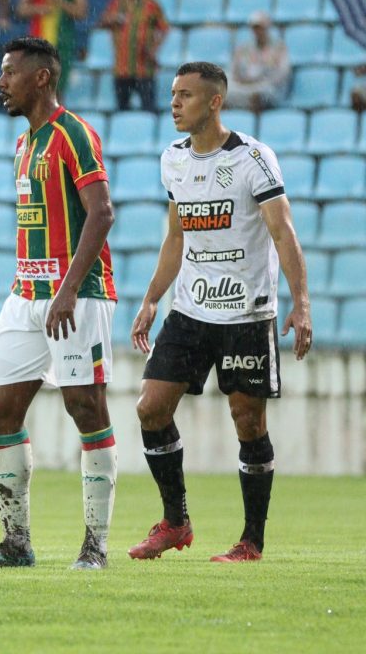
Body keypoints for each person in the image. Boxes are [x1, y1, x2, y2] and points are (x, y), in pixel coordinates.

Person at [129, 61, 312, 563]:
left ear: (214, 102)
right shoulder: (172, 160)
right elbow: (176, 235)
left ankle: (251, 540)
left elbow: (283, 232)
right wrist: (150, 298)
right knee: (150, 407)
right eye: (172, 94)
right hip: (190, 310)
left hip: (247, 313)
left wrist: (301, 303)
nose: (174, 103)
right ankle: (175, 521)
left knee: (247, 421)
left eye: (185, 95)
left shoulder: (254, 158)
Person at [0, 36, 118, 570]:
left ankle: (95, 546)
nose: (0, 82)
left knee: (85, 407)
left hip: (77, 295)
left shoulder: (74, 135)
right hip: (26, 293)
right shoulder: (25, 144)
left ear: (42, 77)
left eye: (9, 73)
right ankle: (16, 542)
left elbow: (101, 214)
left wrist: (69, 289)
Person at [17, 0, 87, 100]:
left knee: (57, 88)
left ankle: (56, 123)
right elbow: (21, 8)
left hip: (63, 40)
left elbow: (81, 11)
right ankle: (43, 123)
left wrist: (58, 1)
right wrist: (39, 9)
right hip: (39, 39)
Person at [99, 0, 169, 111]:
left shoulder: (151, 4)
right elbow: (102, 22)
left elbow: (164, 28)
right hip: (122, 68)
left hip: (144, 67)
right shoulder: (116, 3)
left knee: (148, 109)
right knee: (122, 110)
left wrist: (154, 49)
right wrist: (111, 19)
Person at [225, 12, 292, 112]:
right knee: (224, 88)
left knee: (264, 92)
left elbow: (282, 73)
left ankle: (252, 109)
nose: (258, 31)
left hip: (265, 86)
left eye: (260, 27)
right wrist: (243, 80)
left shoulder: (279, 48)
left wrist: (261, 80)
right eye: (255, 28)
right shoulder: (243, 49)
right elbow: (233, 71)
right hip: (245, 86)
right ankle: (245, 106)